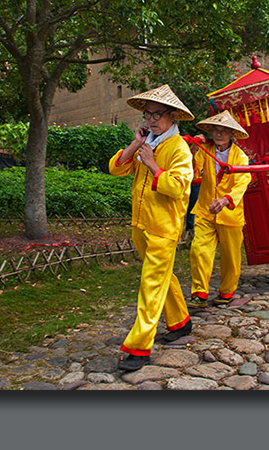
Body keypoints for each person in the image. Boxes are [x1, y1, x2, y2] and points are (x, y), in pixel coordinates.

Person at [108, 85, 195, 372]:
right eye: (148, 114)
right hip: (141, 224)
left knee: (151, 285)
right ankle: (180, 321)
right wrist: (135, 145)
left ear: (173, 117)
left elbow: (179, 187)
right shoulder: (149, 142)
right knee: (161, 277)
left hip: (164, 228)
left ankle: (139, 346)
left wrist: (154, 166)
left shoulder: (179, 149)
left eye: (158, 114)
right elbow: (116, 168)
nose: (152, 120)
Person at [188, 111, 252, 308]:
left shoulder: (240, 157)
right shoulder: (205, 150)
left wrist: (226, 200)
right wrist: (192, 149)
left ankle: (226, 292)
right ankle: (199, 293)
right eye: (216, 129)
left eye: (224, 131)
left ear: (232, 134)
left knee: (231, 256)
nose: (219, 134)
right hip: (206, 209)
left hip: (230, 213)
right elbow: (193, 170)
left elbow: (243, 181)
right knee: (199, 249)